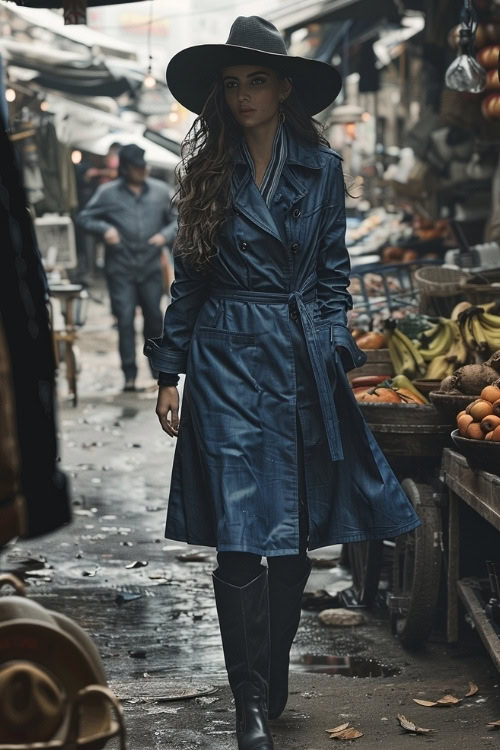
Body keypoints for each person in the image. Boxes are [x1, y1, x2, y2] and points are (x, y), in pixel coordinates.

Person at [144, 16, 421, 750]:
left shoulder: (321, 171)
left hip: (301, 360)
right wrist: (169, 371)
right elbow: (191, 283)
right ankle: (249, 707)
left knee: (294, 543)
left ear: (283, 87)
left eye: (255, 81)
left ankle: (268, 672)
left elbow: (333, 279)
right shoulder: (206, 170)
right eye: (230, 85)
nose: (242, 96)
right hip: (228, 361)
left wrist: (333, 352)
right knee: (240, 540)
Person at [78, 144, 177, 391]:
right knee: (124, 320)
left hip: (151, 265)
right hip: (120, 267)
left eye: (144, 166)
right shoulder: (107, 193)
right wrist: (105, 230)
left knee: (155, 319)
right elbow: (84, 217)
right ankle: (129, 375)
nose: (142, 170)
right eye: (136, 167)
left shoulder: (161, 191)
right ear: (124, 168)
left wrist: (164, 236)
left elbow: (178, 219)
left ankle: (158, 373)